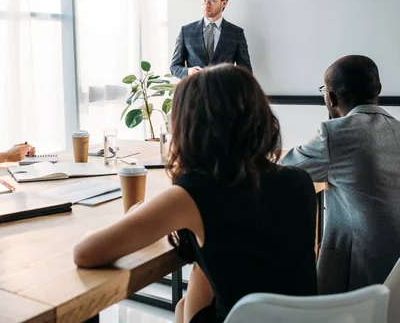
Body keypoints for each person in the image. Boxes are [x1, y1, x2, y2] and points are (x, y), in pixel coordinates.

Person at [74, 65, 317, 323]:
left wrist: (128, 220)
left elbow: (85, 253)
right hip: (297, 319)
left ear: (190, 126)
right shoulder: (300, 180)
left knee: (186, 303)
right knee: (184, 302)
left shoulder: (195, 192)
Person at [282, 55, 400, 295]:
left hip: (355, 278)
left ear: (331, 98)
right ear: (378, 89)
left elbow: (286, 168)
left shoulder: (334, 133)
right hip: (394, 278)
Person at [170, 0, 252, 79]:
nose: (207, 4)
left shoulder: (236, 33)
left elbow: (246, 70)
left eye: (212, 0)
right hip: (195, 92)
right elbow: (174, 67)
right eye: (204, 0)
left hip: (224, 92)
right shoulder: (186, 31)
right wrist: (189, 71)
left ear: (224, 3)